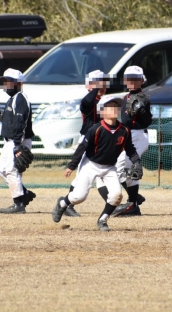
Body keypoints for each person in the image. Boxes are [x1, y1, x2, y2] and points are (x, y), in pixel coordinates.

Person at [52, 95, 142, 231]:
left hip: (110, 167)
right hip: (91, 165)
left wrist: (137, 162)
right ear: (102, 111)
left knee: (117, 195)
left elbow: (130, 149)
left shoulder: (124, 130)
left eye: (116, 107)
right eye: (110, 107)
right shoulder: (96, 129)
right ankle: (62, 203)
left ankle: (102, 220)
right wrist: (72, 166)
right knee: (79, 197)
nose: (114, 109)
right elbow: (82, 148)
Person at [65, 70, 109, 218]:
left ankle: (112, 205)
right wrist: (96, 88)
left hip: (100, 141)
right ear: (88, 85)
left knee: (104, 174)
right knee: (81, 176)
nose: (101, 86)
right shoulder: (87, 101)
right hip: (87, 141)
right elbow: (87, 103)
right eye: (96, 83)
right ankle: (67, 205)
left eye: (102, 83)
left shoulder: (104, 101)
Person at [0, 68, 36, 214]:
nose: (6, 85)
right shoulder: (12, 99)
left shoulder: (21, 99)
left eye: (9, 82)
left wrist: (18, 145)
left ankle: (18, 204)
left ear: (18, 83)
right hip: (10, 142)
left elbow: (20, 123)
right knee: (1, 170)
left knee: (11, 170)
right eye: (4, 82)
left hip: (18, 141)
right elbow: (9, 122)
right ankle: (24, 194)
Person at [111, 66, 152, 217]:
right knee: (128, 171)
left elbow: (147, 121)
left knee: (119, 169)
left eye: (136, 78)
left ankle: (133, 202)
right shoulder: (126, 97)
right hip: (128, 136)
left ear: (142, 80)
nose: (132, 81)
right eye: (129, 78)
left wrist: (142, 110)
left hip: (138, 135)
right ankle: (134, 201)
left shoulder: (142, 97)